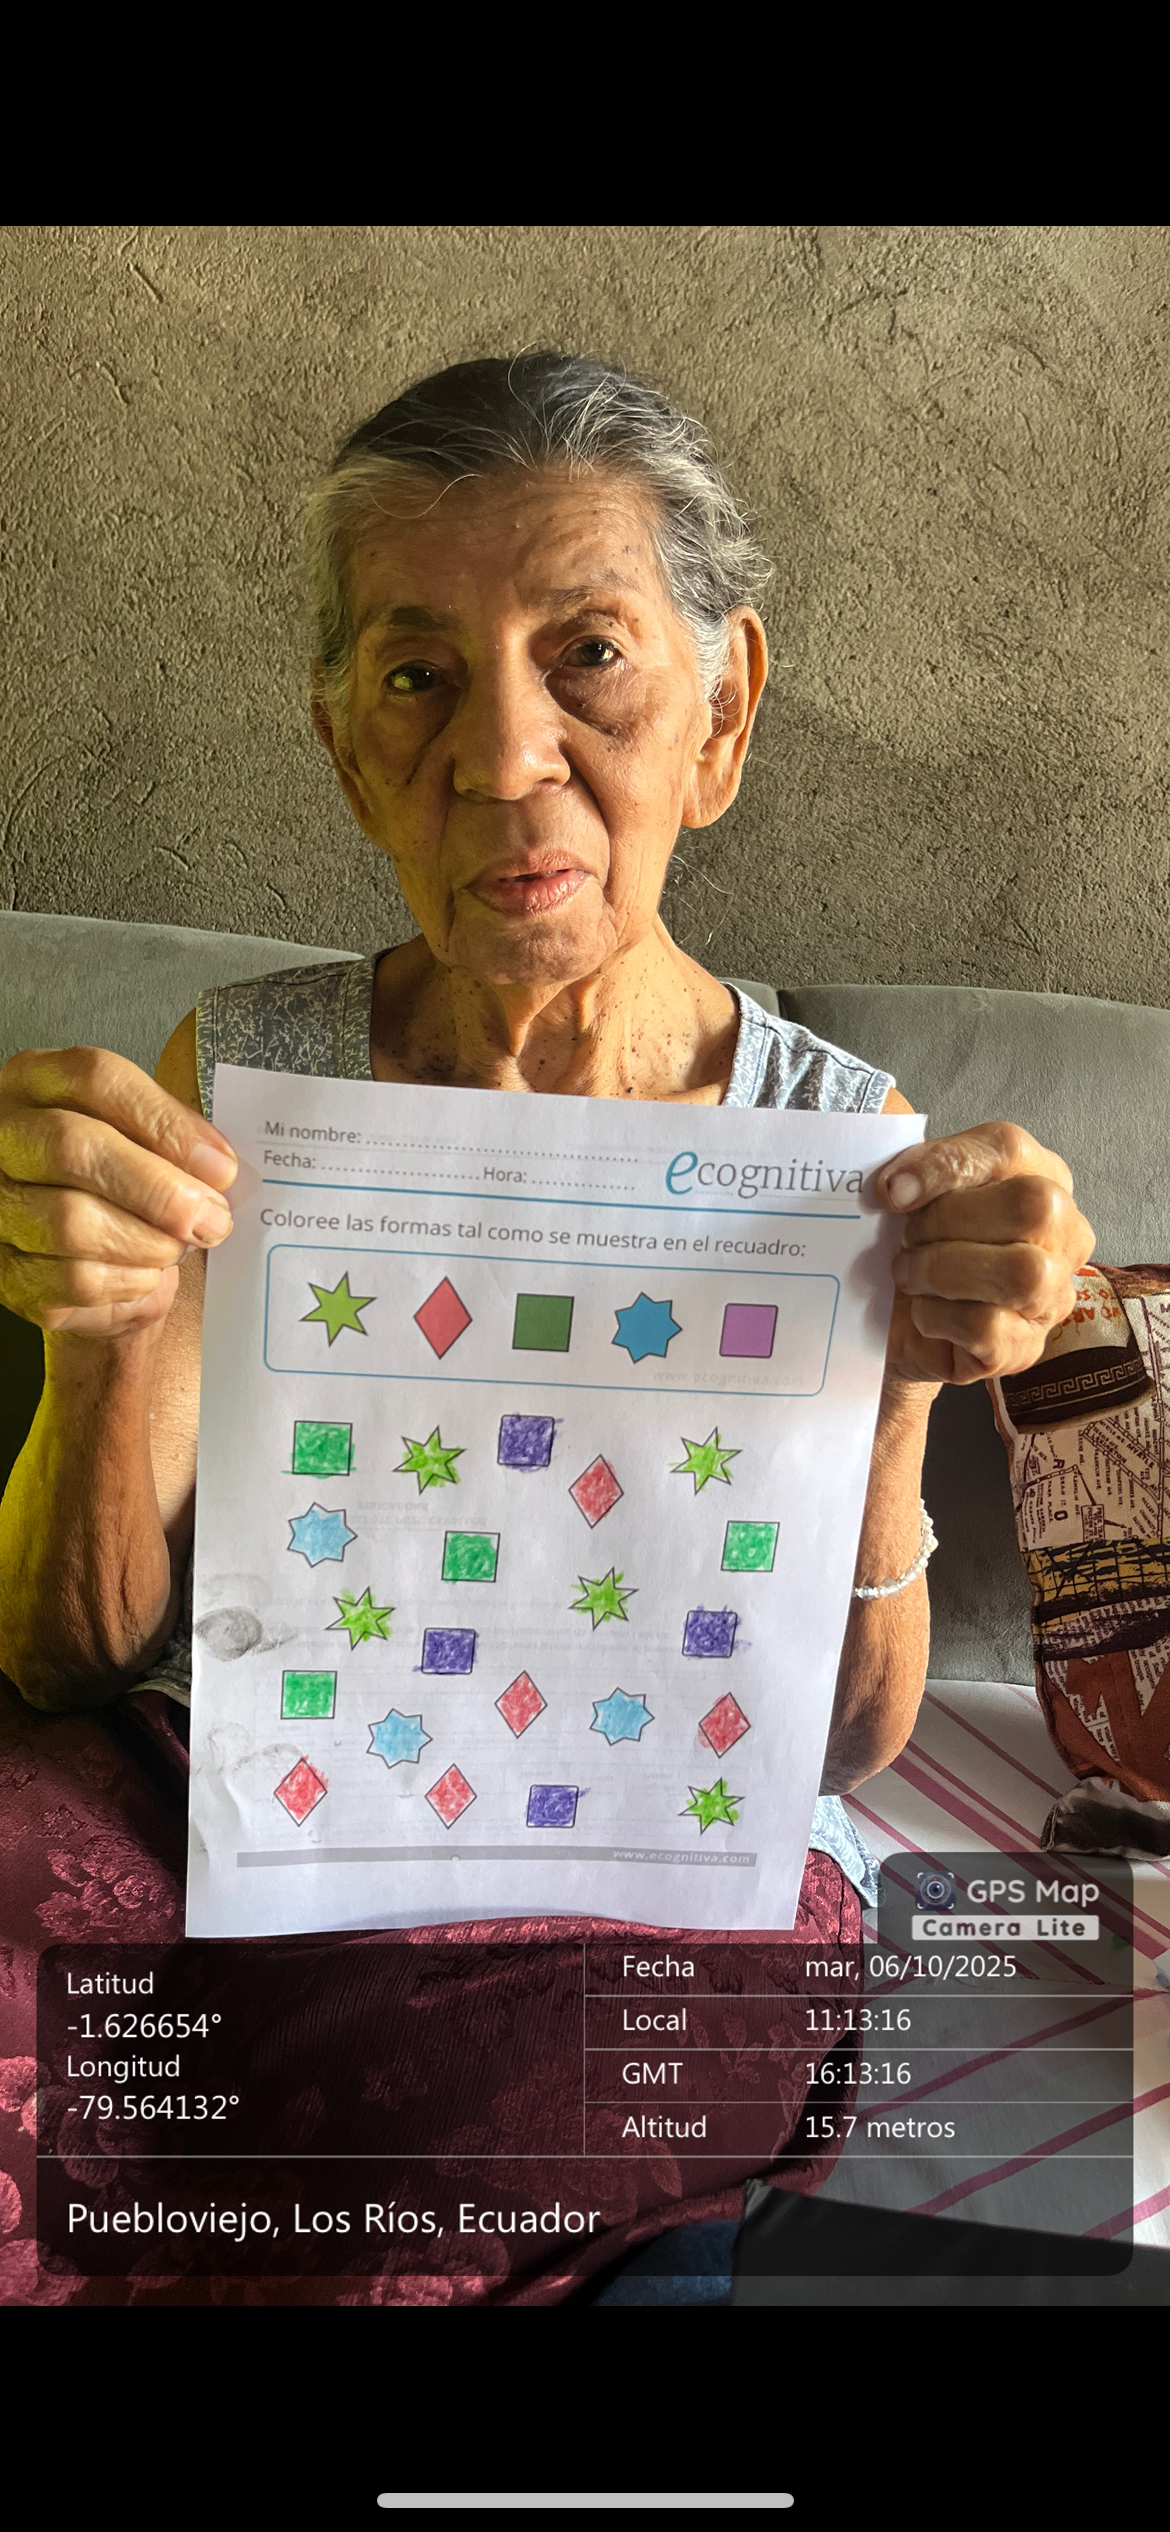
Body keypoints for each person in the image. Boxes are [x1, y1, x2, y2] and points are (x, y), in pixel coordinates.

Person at [0, 355, 1093, 2300]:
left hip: (626, 1872)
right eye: (417, 676)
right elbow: (63, 1662)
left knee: (541, 2103)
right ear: (346, 748)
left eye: (586, 656)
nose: (504, 758)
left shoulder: (834, 1147)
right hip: (246, 1825)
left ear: (721, 714)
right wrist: (99, 1341)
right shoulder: (249, 1073)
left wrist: (906, 1392)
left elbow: (837, 1749)